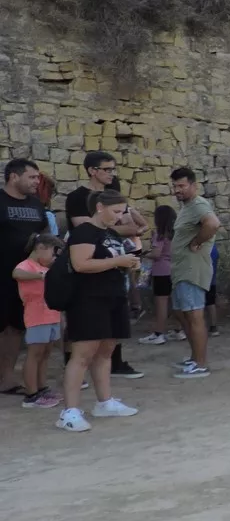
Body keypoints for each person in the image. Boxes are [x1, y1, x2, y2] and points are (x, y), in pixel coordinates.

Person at [59, 189, 142, 432]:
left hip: (113, 296)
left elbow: (110, 260)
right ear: (99, 207)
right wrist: (118, 261)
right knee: (83, 354)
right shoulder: (84, 232)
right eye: (116, 211)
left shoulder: (110, 233)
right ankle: (70, 411)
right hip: (88, 299)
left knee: (106, 351)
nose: (119, 217)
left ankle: (104, 402)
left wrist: (128, 262)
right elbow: (80, 264)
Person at [63, 152, 146, 380]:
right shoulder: (77, 197)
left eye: (113, 169)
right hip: (89, 269)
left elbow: (132, 226)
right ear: (92, 170)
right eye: (107, 169)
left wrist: (115, 225)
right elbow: (86, 228)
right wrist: (115, 227)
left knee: (114, 323)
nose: (112, 173)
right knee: (82, 326)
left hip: (113, 267)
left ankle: (114, 365)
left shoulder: (114, 195)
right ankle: (74, 371)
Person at [0, 159, 49, 395]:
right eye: (32, 177)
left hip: (24, 279)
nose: (37, 182)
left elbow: (44, 236)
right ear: (13, 177)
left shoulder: (36, 204)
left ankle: (6, 378)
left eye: (37, 177)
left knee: (15, 328)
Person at [167, 168, 219, 379]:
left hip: (192, 269)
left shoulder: (199, 205)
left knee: (194, 315)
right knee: (183, 314)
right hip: (181, 270)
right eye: (175, 186)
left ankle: (201, 363)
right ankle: (194, 357)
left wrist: (197, 242)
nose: (178, 190)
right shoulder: (187, 208)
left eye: (182, 186)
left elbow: (213, 224)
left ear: (193, 186)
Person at [13, 233, 62, 408]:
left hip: (51, 314)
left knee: (45, 354)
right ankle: (31, 394)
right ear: (41, 248)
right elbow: (16, 273)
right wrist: (42, 276)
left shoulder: (47, 267)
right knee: (35, 354)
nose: (54, 257)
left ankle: (42, 388)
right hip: (36, 316)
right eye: (53, 253)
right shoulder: (27, 265)